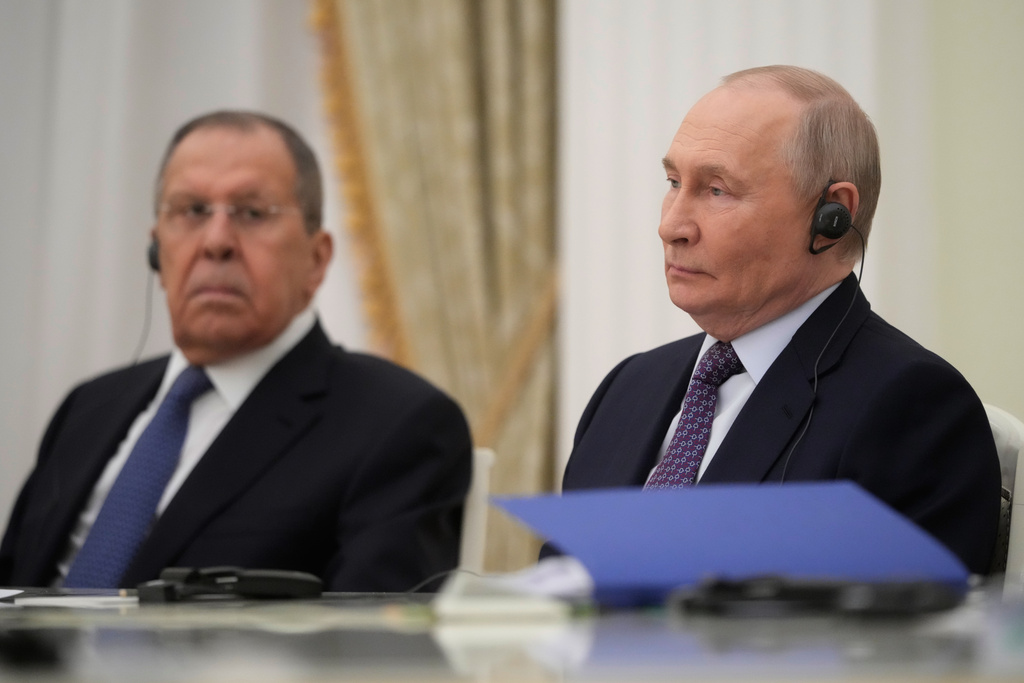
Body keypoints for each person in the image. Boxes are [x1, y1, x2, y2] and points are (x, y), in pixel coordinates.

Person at [0, 111, 473, 591]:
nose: (217, 241)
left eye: (251, 213)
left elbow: (370, 655)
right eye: (192, 210)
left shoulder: (397, 425)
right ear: (156, 253)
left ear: (317, 259)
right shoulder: (88, 408)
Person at [556, 66, 1000, 575]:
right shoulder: (628, 388)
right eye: (674, 182)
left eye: (717, 190)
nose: (670, 225)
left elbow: (904, 643)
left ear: (831, 215)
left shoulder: (913, 407)